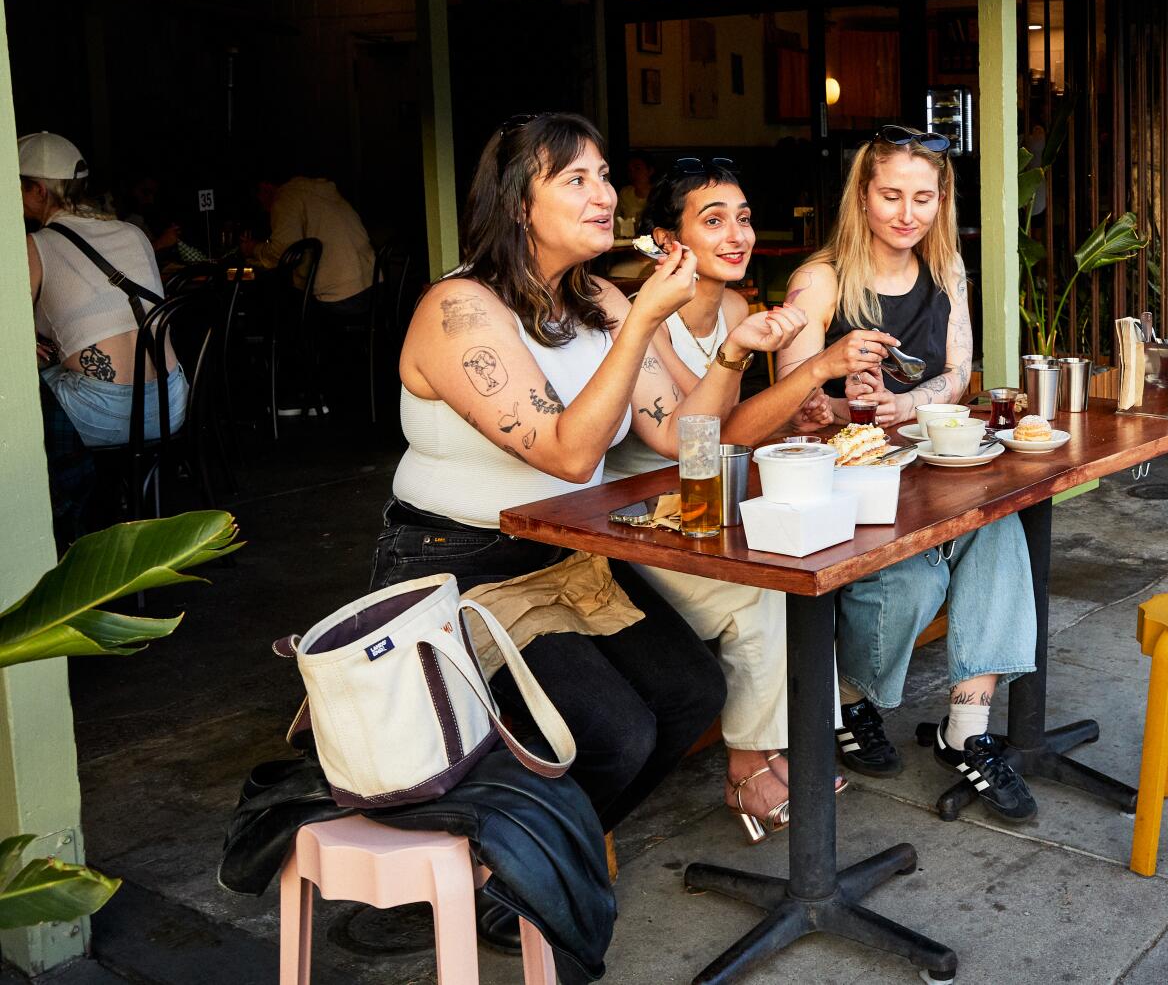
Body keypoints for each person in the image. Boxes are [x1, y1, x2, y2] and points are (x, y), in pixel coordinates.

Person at [370, 112, 805, 868]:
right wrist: (642, 321)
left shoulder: (596, 299)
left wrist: (732, 352)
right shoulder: (461, 309)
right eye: (574, 178)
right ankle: (513, 864)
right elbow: (569, 455)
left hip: (569, 556)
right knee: (618, 731)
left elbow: (679, 436)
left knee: (692, 691)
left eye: (604, 174)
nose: (603, 192)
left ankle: (534, 856)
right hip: (458, 569)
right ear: (516, 205)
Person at [603, 155, 896, 837]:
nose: (737, 233)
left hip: (711, 502)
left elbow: (734, 433)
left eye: (742, 217)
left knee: (806, 565)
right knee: (763, 585)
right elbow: (692, 438)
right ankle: (745, 767)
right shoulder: (635, 308)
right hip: (639, 520)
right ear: (668, 243)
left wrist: (800, 408)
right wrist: (813, 370)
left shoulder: (733, 305)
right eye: (713, 220)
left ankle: (790, 743)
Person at [776, 125, 1041, 823]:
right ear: (862, 194)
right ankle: (850, 695)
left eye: (923, 197)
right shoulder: (820, 280)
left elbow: (959, 373)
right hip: (849, 492)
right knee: (915, 578)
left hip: (926, 471)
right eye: (890, 194)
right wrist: (836, 399)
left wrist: (909, 401)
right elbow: (792, 403)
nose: (906, 213)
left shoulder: (946, 268)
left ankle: (969, 727)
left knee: (1000, 519)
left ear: (942, 199)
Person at [20, 131, 188, 450]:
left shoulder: (36, 245)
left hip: (101, 415)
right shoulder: (133, 233)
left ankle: (58, 497)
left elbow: (9, 336)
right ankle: (120, 490)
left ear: (39, 191)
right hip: (170, 403)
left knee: (18, 400)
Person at [244, 166, 377, 320]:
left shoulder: (286, 197)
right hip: (374, 286)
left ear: (265, 187)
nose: (264, 208)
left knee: (281, 308)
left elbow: (280, 251)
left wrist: (253, 248)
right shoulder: (322, 193)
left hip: (343, 295)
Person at [615, 153, 653, 226]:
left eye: (637, 168)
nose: (633, 173)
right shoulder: (625, 193)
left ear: (650, 171)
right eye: (630, 170)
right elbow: (616, 217)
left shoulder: (659, 194)